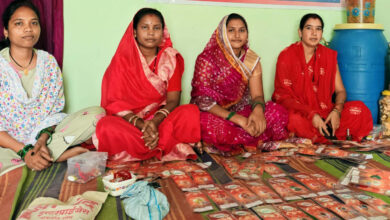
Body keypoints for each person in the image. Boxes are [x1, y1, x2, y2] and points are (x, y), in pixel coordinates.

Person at [0, 0, 104, 175]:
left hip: (46, 138)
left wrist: (41, 140)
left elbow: (53, 114)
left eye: (34, 23)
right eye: (19, 23)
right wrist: (24, 150)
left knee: (97, 115)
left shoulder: (48, 62)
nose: (28, 29)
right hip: (9, 143)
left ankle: (43, 154)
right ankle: (50, 155)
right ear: (6, 31)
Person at [96, 8, 200, 161]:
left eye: (156, 28)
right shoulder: (122, 61)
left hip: (159, 119)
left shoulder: (170, 58)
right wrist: (142, 124)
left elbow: (173, 100)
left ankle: (141, 147)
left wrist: (154, 123)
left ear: (162, 32)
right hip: (131, 122)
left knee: (190, 111)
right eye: (145, 27)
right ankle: (161, 144)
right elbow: (115, 103)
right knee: (106, 125)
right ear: (135, 32)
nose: (151, 33)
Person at [190, 13, 288, 152]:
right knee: (203, 123)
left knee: (277, 111)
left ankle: (242, 140)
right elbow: (202, 100)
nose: (237, 35)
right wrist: (238, 120)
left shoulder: (251, 59)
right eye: (231, 30)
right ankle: (255, 139)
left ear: (247, 35)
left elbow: (257, 96)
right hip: (216, 114)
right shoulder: (206, 59)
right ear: (222, 33)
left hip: (242, 111)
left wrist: (258, 111)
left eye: (241, 30)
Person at [272, 13, 373, 143]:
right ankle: (328, 135)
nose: (314, 33)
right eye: (309, 28)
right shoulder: (286, 56)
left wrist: (337, 111)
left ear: (322, 33)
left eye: (318, 29)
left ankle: (322, 134)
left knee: (359, 109)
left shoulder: (328, 56)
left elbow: (341, 91)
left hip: (325, 112)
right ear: (300, 32)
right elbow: (283, 97)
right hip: (301, 112)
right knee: (291, 119)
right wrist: (311, 114)